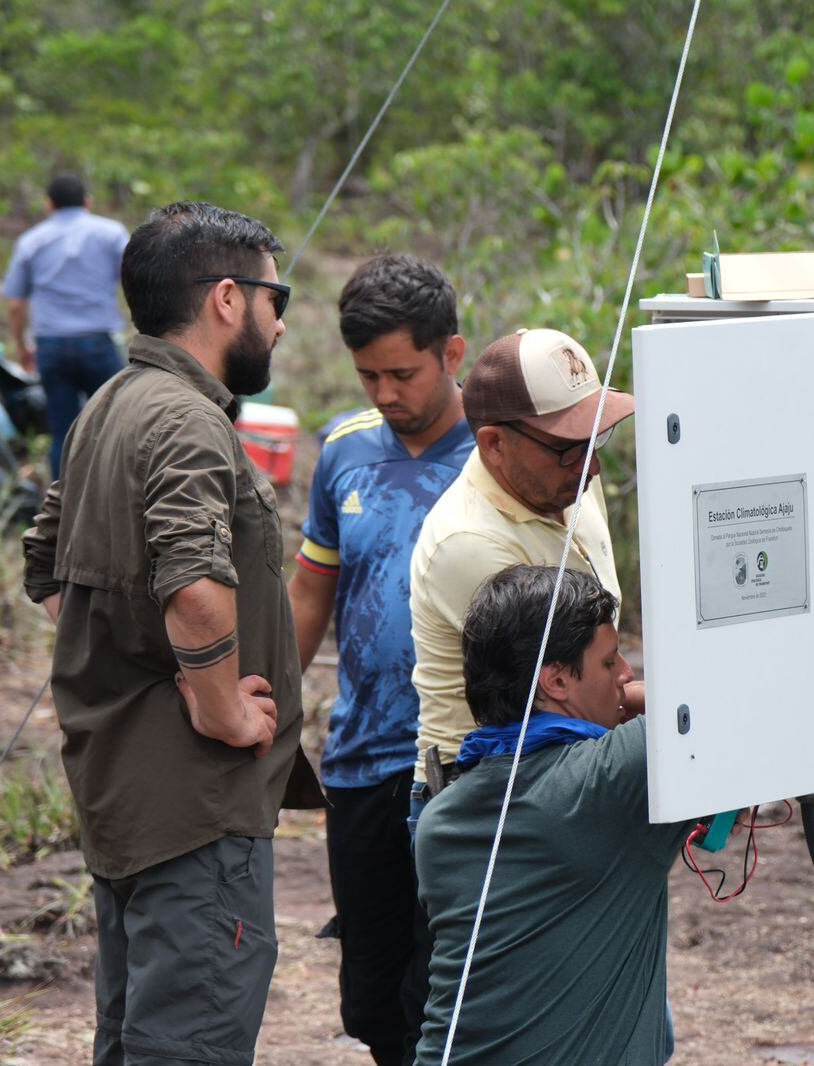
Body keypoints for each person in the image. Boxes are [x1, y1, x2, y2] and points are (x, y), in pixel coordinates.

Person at [22, 200, 322, 1066]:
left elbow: (48, 567)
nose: (278, 321)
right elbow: (194, 586)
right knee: (187, 1044)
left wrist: (140, 652)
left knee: (135, 1041)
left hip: (124, 791)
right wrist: (219, 702)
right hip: (193, 808)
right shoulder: (188, 422)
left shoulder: (113, 403)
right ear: (227, 300)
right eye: (277, 298)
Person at [286, 254, 474, 1063]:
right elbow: (310, 595)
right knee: (370, 998)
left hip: (467, 765)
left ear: (452, 355)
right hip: (362, 759)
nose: (387, 395)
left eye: (403, 373)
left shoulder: (503, 456)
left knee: (447, 988)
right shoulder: (345, 451)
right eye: (369, 376)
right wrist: (270, 706)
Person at [414, 564, 689, 1063]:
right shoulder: (607, 783)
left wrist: (604, 696)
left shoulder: (441, 817)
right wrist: (631, 700)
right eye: (610, 664)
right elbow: (727, 700)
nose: (627, 674)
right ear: (557, 680)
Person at [408, 327, 641, 831]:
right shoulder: (471, 544)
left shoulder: (563, 480)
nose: (593, 466)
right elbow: (565, 698)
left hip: (565, 764)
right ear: (494, 444)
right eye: (570, 449)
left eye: (596, 438)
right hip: (491, 803)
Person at [2, 172, 130, 479]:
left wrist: (22, 346)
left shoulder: (31, 241)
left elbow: (16, 303)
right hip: (98, 341)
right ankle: (114, 499)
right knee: (114, 426)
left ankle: (63, 511)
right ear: (88, 202)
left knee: (63, 431)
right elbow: (135, 279)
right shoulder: (111, 234)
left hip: (52, 346)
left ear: (49, 205)